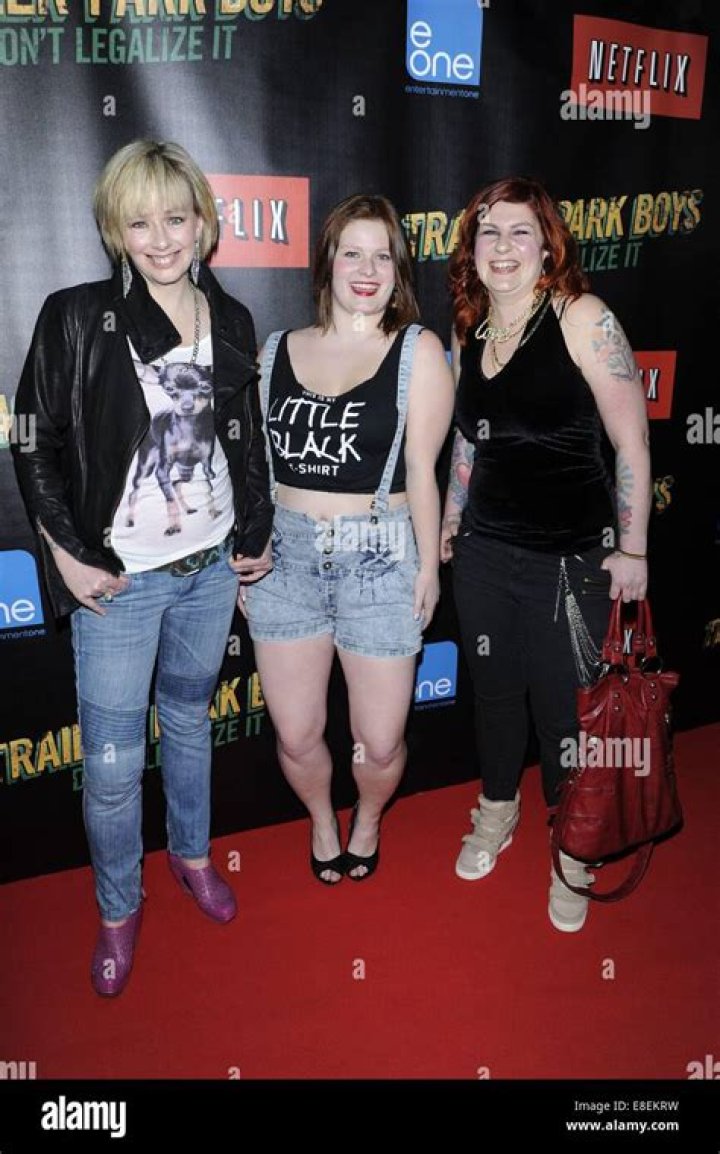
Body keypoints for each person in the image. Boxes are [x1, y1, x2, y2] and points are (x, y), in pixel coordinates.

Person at [11, 139, 273, 996]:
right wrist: (65, 555)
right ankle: (120, 908)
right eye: (139, 223)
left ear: (202, 221)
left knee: (191, 722)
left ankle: (192, 857)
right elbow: (32, 441)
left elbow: (247, 442)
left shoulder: (231, 319)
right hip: (120, 584)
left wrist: (256, 531)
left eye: (175, 218)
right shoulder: (77, 315)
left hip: (209, 571)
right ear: (114, 231)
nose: (161, 239)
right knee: (115, 764)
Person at [441, 176, 651, 932]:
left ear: (548, 244)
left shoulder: (582, 317)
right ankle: (498, 807)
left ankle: (576, 846)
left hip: (570, 560)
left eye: (519, 231)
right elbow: (470, 440)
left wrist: (633, 549)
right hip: (485, 554)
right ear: (472, 248)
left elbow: (631, 441)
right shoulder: (468, 328)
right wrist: (453, 516)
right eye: (488, 232)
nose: (502, 247)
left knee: (566, 711)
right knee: (495, 694)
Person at [241, 193, 454, 884]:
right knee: (297, 733)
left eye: (382, 256)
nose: (366, 269)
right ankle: (321, 819)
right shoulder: (276, 350)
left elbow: (422, 471)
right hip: (286, 559)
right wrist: (248, 547)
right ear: (326, 263)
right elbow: (253, 467)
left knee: (380, 741)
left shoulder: (419, 352)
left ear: (398, 271)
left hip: (382, 555)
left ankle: (368, 814)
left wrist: (428, 568)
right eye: (352, 253)